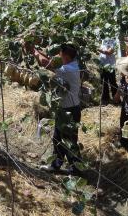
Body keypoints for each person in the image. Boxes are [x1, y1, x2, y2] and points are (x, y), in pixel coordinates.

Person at [27, 42, 82, 175]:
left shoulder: (68, 69)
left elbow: (48, 64)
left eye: (60, 53)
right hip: (66, 108)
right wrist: (39, 51)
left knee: (69, 140)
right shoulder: (72, 64)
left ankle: (77, 168)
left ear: (66, 56)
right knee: (58, 138)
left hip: (70, 111)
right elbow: (51, 60)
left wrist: (34, 52)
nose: (58, 55)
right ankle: (56, 165)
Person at [98, 38, 117, 105]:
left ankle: (116, 99)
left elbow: (109, 52)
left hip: (110, 66)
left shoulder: (114, 41)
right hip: (102, 65)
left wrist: (98, 49)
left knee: (112, 82)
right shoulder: (103, 40)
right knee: (104, 82)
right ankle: (105, 99)